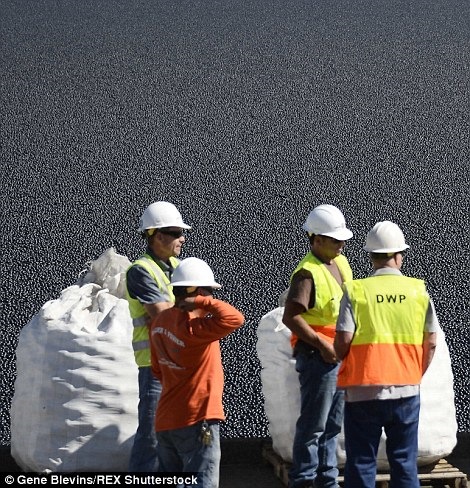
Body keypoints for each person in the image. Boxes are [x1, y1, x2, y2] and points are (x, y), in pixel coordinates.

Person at [334, 220, 438, 488]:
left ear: (371, 257)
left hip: (362, 390)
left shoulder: (357, 291)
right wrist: (415, 373)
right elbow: (432, 342)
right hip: (405, 390)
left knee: (361, 461)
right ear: (398, 255)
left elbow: (343, 339)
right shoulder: (418, 291)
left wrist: (342, 361)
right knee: (404, 462)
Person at [149, 257, 244, 488]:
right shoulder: (196, 329)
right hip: (196, 418)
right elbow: (236, 318)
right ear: (197, 292)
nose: (212, 297)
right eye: (209, 291)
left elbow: (157, 370)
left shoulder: (160, 322)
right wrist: (201, 301)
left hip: (166, 421)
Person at [282, 204, 353, 488]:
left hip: (337, 356)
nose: (341, 245)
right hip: (317, 358)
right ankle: (304, 481)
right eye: (335, 240)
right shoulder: (307, 274)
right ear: (316, 239)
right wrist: (320, 343)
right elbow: (291, 316)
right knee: (313, 427)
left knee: (332, 427)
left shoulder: (340, 263)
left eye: (342, 240)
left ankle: (328, 482)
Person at [125, 201, 191, 472]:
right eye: (176, 233)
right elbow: (162, 315)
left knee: (175, 432)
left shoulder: (180, 267)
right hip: (154, 365)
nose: (182, 239)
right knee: (152, 434)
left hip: (180, 362)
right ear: (158, 235)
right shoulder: (140, 271)